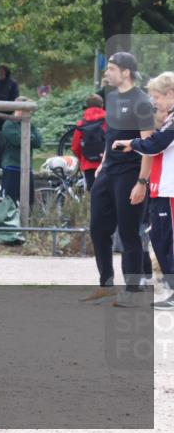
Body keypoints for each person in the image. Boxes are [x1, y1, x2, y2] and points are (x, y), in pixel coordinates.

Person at [82, 52, 155, 305]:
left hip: (131, 173)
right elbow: (111, 135)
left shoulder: (142, 101)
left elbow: (149, 145)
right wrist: (102, 163)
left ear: (126, 72)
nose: (107, 72)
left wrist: (142, 181)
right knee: (98, 228)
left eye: (112, 68)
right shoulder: (111, 99)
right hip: (108, 172)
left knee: (128, 232)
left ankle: (132, 291)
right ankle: (106, 285)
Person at [111, 71, 174, 309]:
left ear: (171, 94)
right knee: (160, 239)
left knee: (167, 241)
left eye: (157, 96)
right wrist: (135, 144)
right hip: (162, 189)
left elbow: (155, 144)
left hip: (170, 190)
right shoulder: (169, 118)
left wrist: (132, 143)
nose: (154, 102)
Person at [0, 97, 42, 205]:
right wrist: (30, 136)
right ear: (17, 109)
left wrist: (27, 137)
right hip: (12, 167)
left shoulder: (30, 124)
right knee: (9, 202)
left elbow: (38, 142)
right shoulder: (9, 124)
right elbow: (17, 141)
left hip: (27, 168)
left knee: (29, 202)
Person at [72, 94, 107, 192]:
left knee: (94, 195)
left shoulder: (81, 124)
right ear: (102, 105)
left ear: (87, 106)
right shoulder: (109, 121)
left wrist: (82, 159)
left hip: (88, 165)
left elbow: (75, 147)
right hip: (107, 164)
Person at [0, 64, 19, 136]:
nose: (1, 73)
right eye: (0, 72)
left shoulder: (12, 83)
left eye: (3, 72)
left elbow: (15, 97)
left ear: (6, 72)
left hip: (8, 113)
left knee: (6, 133)